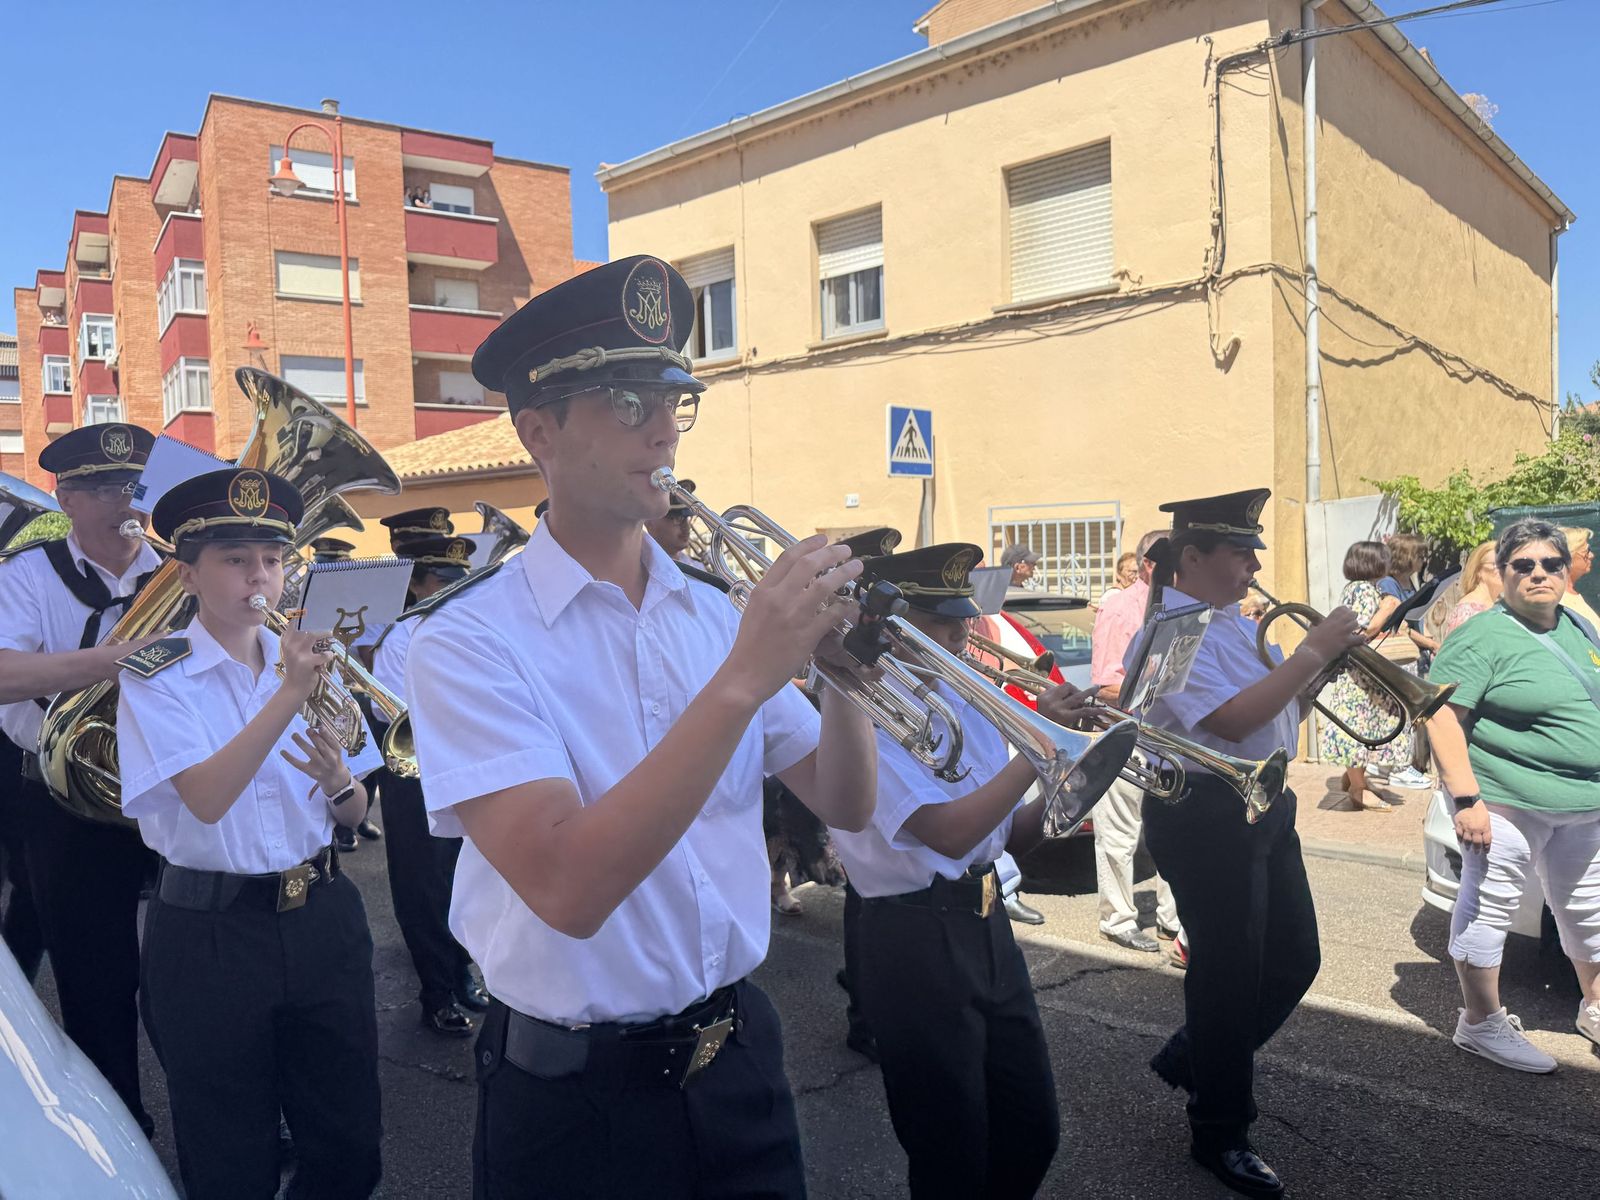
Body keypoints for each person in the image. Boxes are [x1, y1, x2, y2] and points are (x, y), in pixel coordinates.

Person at [404, 255, 882, 1199]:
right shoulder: (464, 639)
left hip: (739, 1061)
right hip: (575, 1105)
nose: (663, 427)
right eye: (627, 401)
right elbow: (568, 887)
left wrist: (847, 677)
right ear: (539, 430)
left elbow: (846, 802)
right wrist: (748, 675)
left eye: (673, 398)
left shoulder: (710, 613)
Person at [117, 466, 384, 1198]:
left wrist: (339, 783)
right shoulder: (155, 675)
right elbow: (206, 797)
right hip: (208, 936)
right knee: (229, 1151)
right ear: (189, 575)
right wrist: (288, 693)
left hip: (323, 916)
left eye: (271, 560)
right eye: (235, 560)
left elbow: (355, 814)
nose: (258, 578)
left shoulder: (310, 662)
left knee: (349, 1143)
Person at [828, 541, 1098, 1199]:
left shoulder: (966, 700)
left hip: (986, 925)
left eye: (960, 616)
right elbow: (948, 834)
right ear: (887, 623)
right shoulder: (860, 713)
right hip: (911, 941)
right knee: (951, 1152)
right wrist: (1038, 749)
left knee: (1032, 1131)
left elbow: (1001, 835)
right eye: (943, 620)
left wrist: (1077, 789)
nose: (962, 631)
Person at [1136, 488, 1364, 1200]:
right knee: (1228, 978)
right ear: (1192, 556)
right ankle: (1220, 1131)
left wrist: (1319, 667)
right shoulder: (1171, 634)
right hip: (1205, 814)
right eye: (1240, 553)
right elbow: (1231, 723)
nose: (1251, 565)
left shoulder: (1232, 624)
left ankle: (1198, 1053)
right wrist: (1313, 650)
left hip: (1262, 801)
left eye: (1253, 552)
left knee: (1297, 956)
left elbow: (1279, 713)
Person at [0, 422, 165, 1134]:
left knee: (186, 966)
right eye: (99, 487)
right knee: (96, 977)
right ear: (64, 496)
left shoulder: (177, 569)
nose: (119, 499)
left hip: (166, 788)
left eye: (127, 484)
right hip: (64, 801)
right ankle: (118, 1124)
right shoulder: (27, 574)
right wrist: (110, 662)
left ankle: (227, 1102)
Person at [1428, 519, 1600, 1072]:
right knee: (1490, 903)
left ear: (1564, 569)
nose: (1538, 574)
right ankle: (1479, 1022)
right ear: (1501, 573)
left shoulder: (1577, 627)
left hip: (1584, 801)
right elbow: (1441, 718)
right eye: (1522, 565)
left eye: (1550, 563)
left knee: (1588, 908)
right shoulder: (1480, 636)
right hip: (1507, 800)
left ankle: (1595, 1006)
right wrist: (1466, 799)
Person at [371, 533, 488, 1036]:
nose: (451, 590)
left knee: (465, 877)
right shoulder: (401, 638)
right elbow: (390, 711)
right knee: (422, 884)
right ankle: (436, 991)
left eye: (457, 581)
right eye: (441, 580)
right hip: (414, 773)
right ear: (417, 584)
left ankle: (463, 969)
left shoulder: (476, 628)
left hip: (468, 766)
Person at [1088, 528, 1181, 954]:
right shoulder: (1120, 609)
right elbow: (1105, 682)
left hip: (1169, 736)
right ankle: (1118, 919)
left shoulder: (1179, 606)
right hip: (1126, 732)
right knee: (1119, 836)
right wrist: (1156, 687)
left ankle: (1172, 920)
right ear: (1148, 565)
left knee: (1171, 835)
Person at [1317, 541, 1416, 813]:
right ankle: (1359, 789)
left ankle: (1352, 780)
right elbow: (1359, 632)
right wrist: (1386, 611)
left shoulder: (1357, 588)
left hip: (1361, 676)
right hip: (1360, 678)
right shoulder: (1363, 589)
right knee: (1360, 729)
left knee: (1363, 728)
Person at [1443, 540, 1502, 639]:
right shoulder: (1467, 611)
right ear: (1479, 571)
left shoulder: (1497, 605)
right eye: (1497, 565)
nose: (1504, 571)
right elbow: (1456, 652)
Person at [643, 477, 696, 562]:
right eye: (677, 519)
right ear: (649, 521)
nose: (686, 528)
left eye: (688, 519)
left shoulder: (696, 565)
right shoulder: (641, 566)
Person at [1559, 527, 1600, 628]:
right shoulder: (1559, 602)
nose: (1591, 555)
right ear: (1569, 557)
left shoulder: (1571, 595)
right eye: (1587, 551)